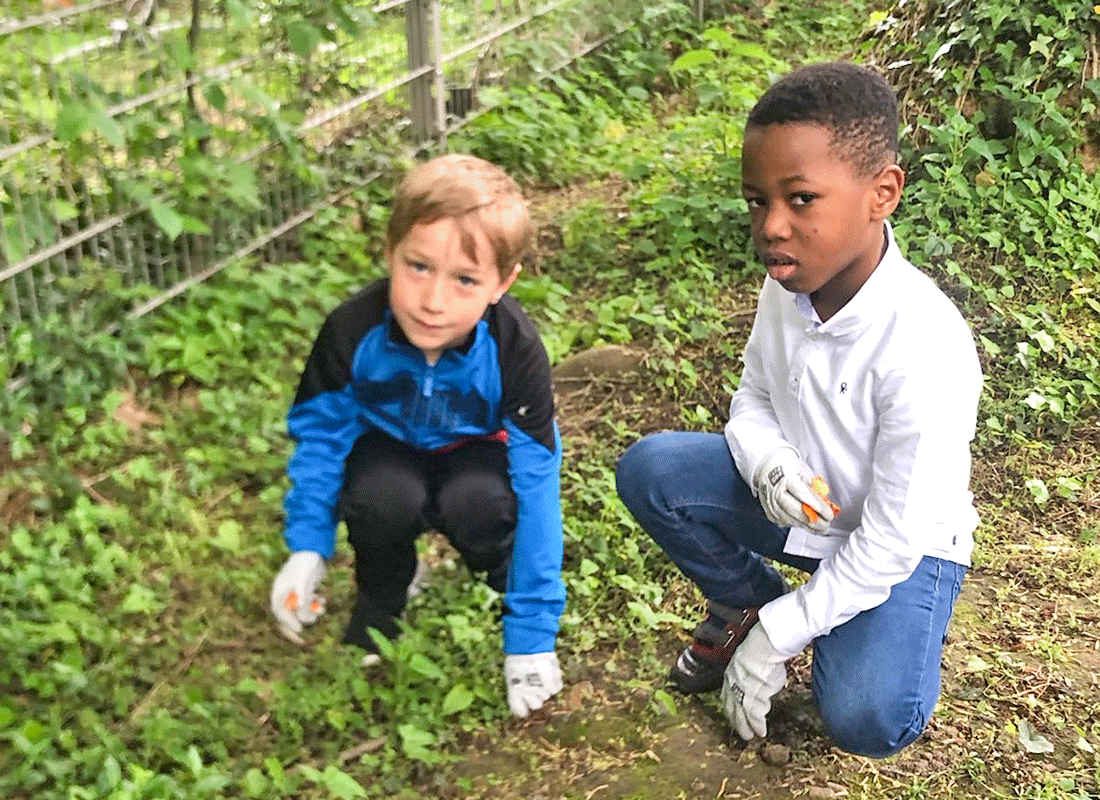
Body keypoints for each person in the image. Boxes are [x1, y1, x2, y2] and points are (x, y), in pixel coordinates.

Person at [615, 62, 981, 757]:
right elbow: (752, 396)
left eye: (801, 199)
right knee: (653, 472)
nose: (771, 227)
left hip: (901, 548)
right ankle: (745, 602)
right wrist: (769, 460)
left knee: (871, 716)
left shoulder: (924, 345)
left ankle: (794, 620)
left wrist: (786, 634)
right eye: (757, 201)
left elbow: (891, 541)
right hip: (806, 510)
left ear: (884, 193)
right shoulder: (784, 284)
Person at [269, 154, 566, 718]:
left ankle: (505, 578)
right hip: (388, 448)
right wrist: (307, 546)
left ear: (502, 283)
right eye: (419, 267)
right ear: (389, 252)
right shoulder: (351, 329)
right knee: (381, 497)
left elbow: (538, 484)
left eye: (465, 279)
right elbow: (323, 436)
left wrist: (533, 632)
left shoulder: (513, 348)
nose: (433, 301)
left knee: (479, 503)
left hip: (474, 454)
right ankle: (385, 595)